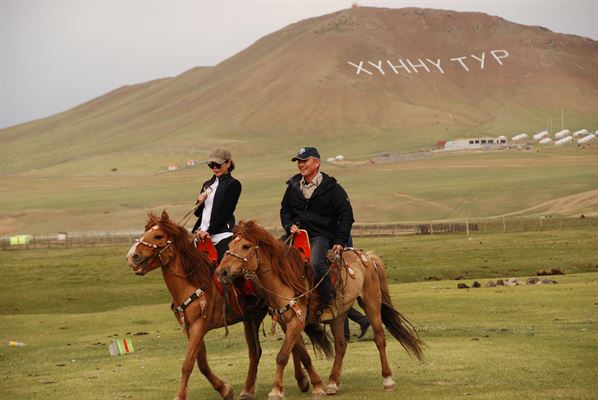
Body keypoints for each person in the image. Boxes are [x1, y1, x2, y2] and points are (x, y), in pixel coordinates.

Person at [280, 146, 354, 322]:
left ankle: (330, 303)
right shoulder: (292, 186)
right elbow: (285, 211)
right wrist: (289, 225)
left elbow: (346, 216)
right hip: (297, 235)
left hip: (321, 236)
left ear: (317, 162)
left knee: (315, 264)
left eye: (304, 161)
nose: (300, 165)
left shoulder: (332, 188)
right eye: (298, 161)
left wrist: (340, 241)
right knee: (275, 259)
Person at [192, 148, 241, 263]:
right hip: (201, 234)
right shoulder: (207, 184)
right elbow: (197, 213)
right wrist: (199, 201)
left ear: (228, 163)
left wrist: (209, 231)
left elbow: (226, 212)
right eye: (211, 165)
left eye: (218, 165)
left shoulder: (234, 184)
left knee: (223, 271)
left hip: (221, 235)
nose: (214, 168)